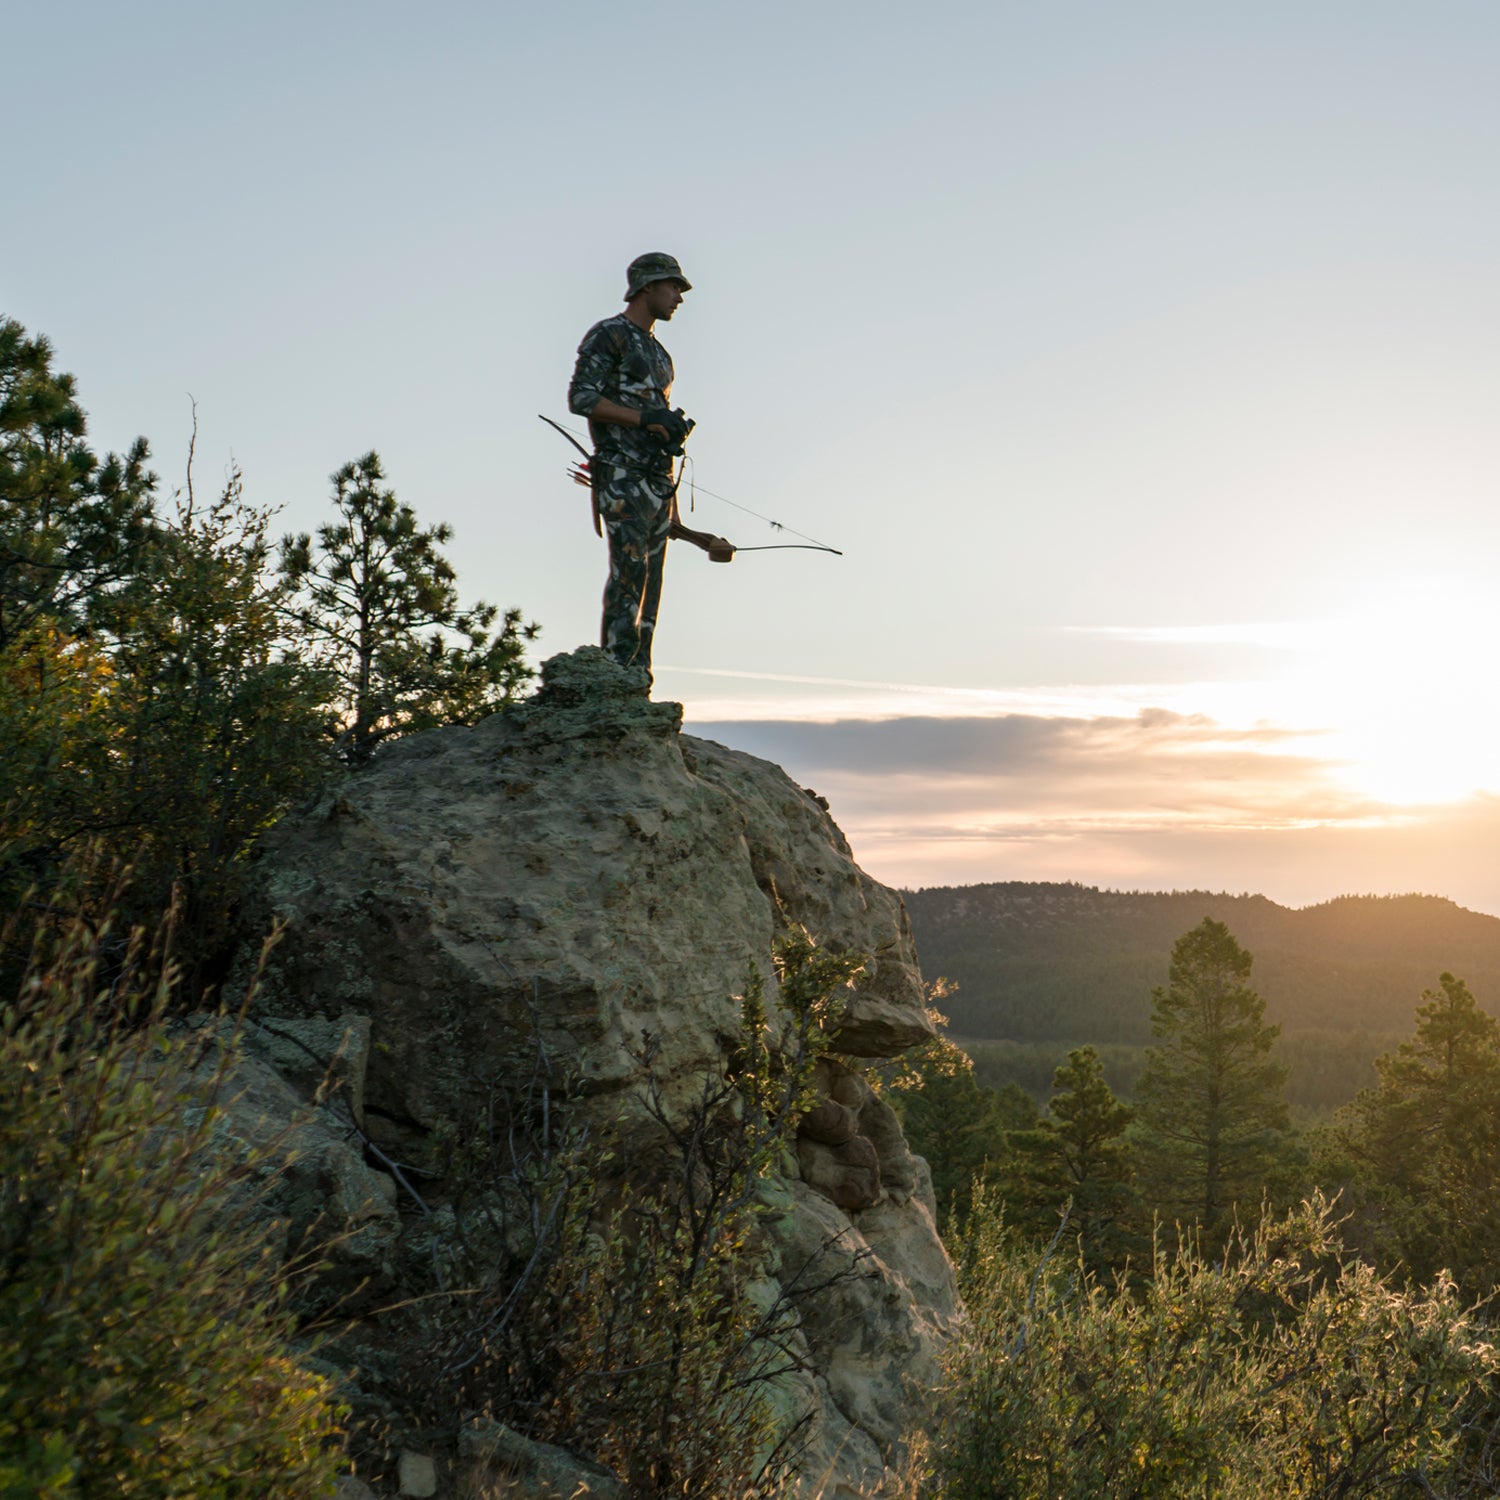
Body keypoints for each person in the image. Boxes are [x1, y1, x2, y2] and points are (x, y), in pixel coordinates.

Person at [567, 251, 732, 675]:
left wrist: (699, 536)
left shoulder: (661, 355)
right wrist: (645, 418)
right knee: (628, 581)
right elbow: (581, 399)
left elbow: (652, 420)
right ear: (647, 286)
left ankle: (636, 682)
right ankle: (612, 677)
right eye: (673, 287)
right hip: (621, 476)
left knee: (649, 589)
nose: (679, 296)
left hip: (657, 482)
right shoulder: (610, 334)